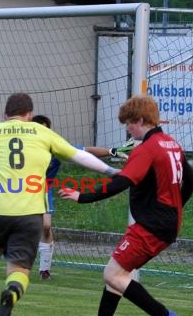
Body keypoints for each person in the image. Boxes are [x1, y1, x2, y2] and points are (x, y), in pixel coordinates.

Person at [0, 93, 119, 316]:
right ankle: (11, 294)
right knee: (19, 268)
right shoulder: (42, 132)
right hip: (30, 211)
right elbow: (80, 156)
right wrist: (111, 171)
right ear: (29, 115)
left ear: (5, 115)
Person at [59, 95, 193, 316]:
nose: (127, 128)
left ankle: (162, 315)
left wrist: (83, 197)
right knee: (121, 269)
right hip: (165, 222)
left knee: (112, 274)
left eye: (129, 123)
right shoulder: (171, 143)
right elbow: (192, 180)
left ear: (141, 120)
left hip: (152, 224)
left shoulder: (147, 149)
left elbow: (121, 183)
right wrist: (175, 208)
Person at [32, 114, 134, 281]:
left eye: (45, 129)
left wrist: (111, 151)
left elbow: (84, 151)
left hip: (42, 189)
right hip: (19, 188)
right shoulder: (23, 145)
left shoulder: (55, 146)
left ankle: (44, 270)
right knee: (12, 224)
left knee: (45, 225)